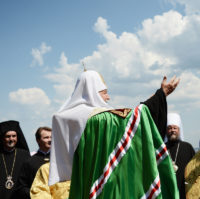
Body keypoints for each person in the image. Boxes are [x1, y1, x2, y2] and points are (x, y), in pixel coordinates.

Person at [48, 70, 180, 198]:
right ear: (92, 92)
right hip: (104, 186)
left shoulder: (62, 117)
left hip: (79, 183)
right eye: (104, 92)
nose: (108, 97)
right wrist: (161, 94)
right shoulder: (102, 119)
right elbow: (137, 118)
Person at [14, 126, 52, 198]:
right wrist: (36, 195)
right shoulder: (29, 162)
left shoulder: (59, 160)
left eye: (51, 137)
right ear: (38, 140)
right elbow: (22, 187)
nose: (50, 140)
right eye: (46, 138)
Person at [166, 113, 195, 199]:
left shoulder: (187, 147)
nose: (172, 130)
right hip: (167, 188)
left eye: (175, 128)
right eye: (169, 128)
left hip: (184, 189)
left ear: (179, 130)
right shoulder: (162, 148)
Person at [0, 120, 30, 199]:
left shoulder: (25, 155)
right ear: (2, 138)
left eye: (14, 136)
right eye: (8, 136)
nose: (11, 139)